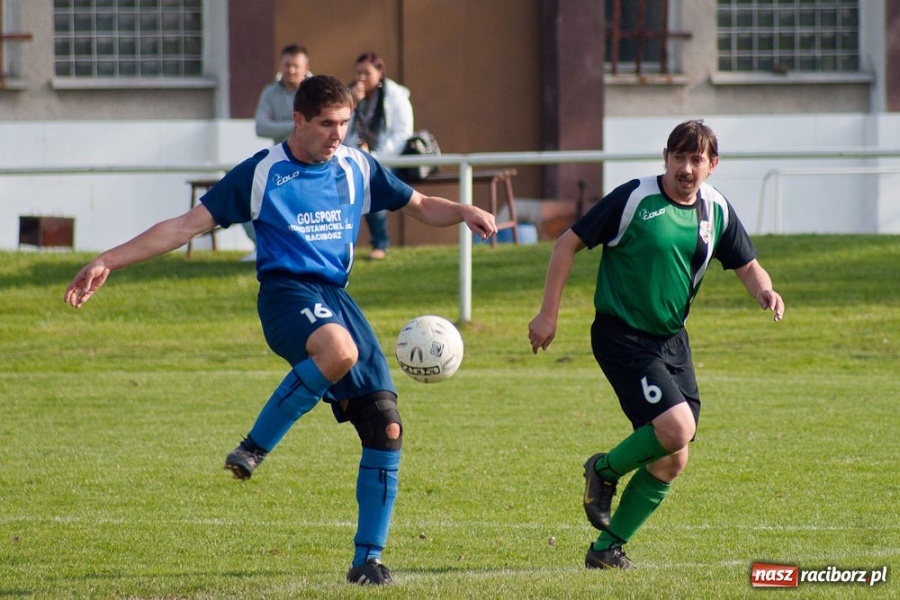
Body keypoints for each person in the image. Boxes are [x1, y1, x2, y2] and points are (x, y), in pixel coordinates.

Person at [64, 75, 497, 586]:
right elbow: (183, 227)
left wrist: (464, 211)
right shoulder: (262, 173)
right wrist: (107, 260)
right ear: (298, 121)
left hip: (337, 298)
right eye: (326, 124)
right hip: (286, 295)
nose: (337, 134)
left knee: (386, 425)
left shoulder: (357, 165)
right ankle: (254, 446)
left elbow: (420, 206)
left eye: (344, 123)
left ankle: (368, 561)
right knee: (339, 350)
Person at [528, 120, 785, 570]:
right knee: (677, 429)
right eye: (678, 157)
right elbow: (566, 244)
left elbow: (748, 266)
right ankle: (603, 469)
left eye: (697, 160)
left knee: (673, 458)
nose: (686, 168)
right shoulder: (634, 198)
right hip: (621, 335)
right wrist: (548, 313)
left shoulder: (715, 210)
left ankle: (606, 549)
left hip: (671, 342)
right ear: (665, 157)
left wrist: (764, 289)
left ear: (713, 165)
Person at [240, 44, 313, 262]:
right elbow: (261, 127)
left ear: (306, 67)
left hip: (311, 162)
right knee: (245, 192)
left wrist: (289, 126)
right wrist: (298, 125)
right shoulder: (270, 92)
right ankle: (261, 247)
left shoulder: (317, 91)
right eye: (287, 65)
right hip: (278, 159)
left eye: (296, 66)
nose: (291, 71)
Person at [343, 52, 414, 260]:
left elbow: (402, 134)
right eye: (358, 73)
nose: (362, 78)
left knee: (370, 184)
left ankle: (380, 243)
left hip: (388, 160)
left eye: (367, 73)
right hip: (356, 157)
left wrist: (374, 155)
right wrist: (352, 104)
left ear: (380, 73)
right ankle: (345, 243)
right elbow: (342, 130)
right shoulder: (352, 95)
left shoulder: (395, 97)